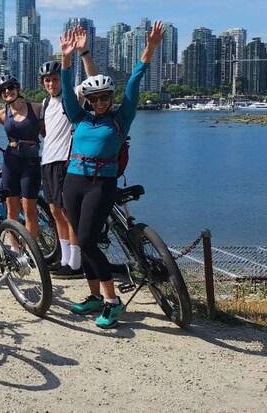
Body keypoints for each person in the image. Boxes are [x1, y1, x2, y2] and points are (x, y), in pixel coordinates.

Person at [60, 20, 165, 328]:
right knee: (81, 240)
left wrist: (150, 48)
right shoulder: (79, 117)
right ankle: (94, 296)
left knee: (90, 241)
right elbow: (67, 89)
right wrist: (67, 57)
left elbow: (133, 83)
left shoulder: (121, 118)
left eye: (105, 97)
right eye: (95, 98)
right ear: (89, 101)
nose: (100, 102)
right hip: (73, 181)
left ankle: (112, 301)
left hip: (100, 184)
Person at [40, 28, 99, 278]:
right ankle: (65, 258)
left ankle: (75, 264)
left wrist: (83, 52)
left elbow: (94, 81)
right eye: (47, 80)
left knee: (68, 213)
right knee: (55, 212)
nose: (51, 83)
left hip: (66, 162)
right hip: (48, 161)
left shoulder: (72, 95)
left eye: (55, 79)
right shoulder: (45, 103)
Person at [0, 73, 44, 241]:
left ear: (18, 88)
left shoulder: (36, 108)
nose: (7, 92)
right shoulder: (2, 114)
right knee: (11, 209)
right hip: (11, 161)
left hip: (31, 162)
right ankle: (14, 248)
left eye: (10, 87)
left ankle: (30, 250)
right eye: (2, 91)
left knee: (29, 210)